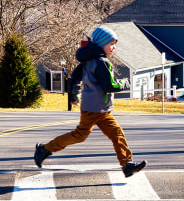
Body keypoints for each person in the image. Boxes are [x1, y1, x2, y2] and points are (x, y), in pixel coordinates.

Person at [34, 25, 147, 178]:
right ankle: (45, 149)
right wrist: (125, 83)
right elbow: (109, 86)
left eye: (114, 44)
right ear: (102, 44)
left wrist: (73, 95)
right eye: (111, 44)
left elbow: (75, 77)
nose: (113, 48)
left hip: (99, 108)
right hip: (95, 109)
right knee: (80, 135)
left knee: (116, 133)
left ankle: (127, 165)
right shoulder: (102, 62)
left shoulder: (89, 60)